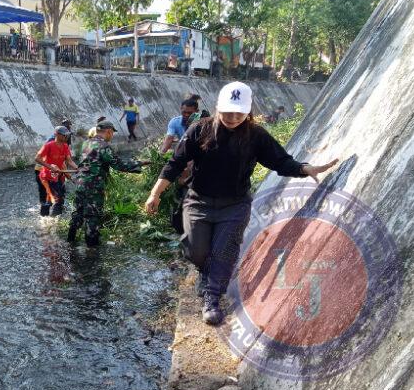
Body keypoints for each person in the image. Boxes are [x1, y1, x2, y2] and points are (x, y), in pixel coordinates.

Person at [145, 81, 338, 325]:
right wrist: (155, 193)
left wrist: (304, 168)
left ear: (248, 112)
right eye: (227, 111)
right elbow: (175, 164)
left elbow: (280, 161)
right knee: (196, 251)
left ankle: (212, 298)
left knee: (225, 251)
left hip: (234, 206)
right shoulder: (199, 130)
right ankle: (205, 272)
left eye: (239, 112)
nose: (233, 117)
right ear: (217, 108)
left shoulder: (256, 136)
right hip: (198, 202)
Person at [68, 120, 147, 247]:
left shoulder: (86, 143)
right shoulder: (104, 146)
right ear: (109, 131)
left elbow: (91, 163)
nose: (112, 136)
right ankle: (92, 251)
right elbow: (120, 165)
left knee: (78, 213)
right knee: (92, 218)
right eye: (112, 133)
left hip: (81, 183)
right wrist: (140, 163)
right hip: (93, 188)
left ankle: (70, 242)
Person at [36, 126, 78, 217]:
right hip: (48, 176)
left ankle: (48, 214)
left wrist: (78, 168)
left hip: (58, 175)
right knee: (57, 198)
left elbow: (69, 161)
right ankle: (52, 220)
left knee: (61, 196)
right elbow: (37, 158)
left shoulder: (65, 146)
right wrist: (50, 167)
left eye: (67, 135)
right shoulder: (48, 146)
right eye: (64, 135)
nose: (66, 137)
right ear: (57, 135)